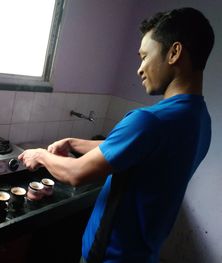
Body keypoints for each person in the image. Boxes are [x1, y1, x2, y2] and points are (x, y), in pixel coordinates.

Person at [18, 7, 214, 263]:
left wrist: (40, 155)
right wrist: (73, 142)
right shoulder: (200, 120)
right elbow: (139, 149)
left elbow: (76, 174)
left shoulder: (149, 120)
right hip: (144, 254)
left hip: (109, 256)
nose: (140, 69)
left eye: (144, 56)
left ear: (174, 53)